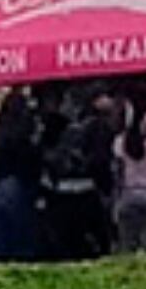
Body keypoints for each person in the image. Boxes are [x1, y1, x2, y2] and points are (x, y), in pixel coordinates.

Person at [37, 90, 118, 261]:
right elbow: (100, 161)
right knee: (91, 246)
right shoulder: (97, 127)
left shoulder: (53, 126)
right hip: (85, 192)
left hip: (60, 193)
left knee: (66, 247)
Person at [0, 87, 44, 262]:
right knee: (20, 230)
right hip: (17, 183)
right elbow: (30, 161)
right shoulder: (22, 136)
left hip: (1, 183)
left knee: (2, 229)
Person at [113, 81, 146, 254]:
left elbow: (118, 174)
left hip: (128, 196)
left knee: (127, 247)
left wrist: (116, 202)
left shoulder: (120, 141)